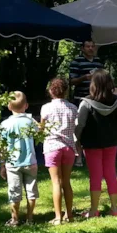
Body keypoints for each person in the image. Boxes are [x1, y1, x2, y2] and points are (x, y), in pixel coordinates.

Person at [75, 70, 117, 218]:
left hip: (91, 144)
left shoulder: (86, 103)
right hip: (111, 142)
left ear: (93, 84)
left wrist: (76, 140)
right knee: (111, 173)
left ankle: (94, 210)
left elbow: (79, 125)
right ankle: (115, 209)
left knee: (95, 176)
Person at [40, 78, 78, 225]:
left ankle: (57, 216)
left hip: (52, 147)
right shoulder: (73, 108)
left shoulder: (46, 108)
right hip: (68, 147)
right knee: (66, 182)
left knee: (56, 182)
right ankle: (70, 215)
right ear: (66, 91)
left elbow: (42, 128)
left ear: (51, 91)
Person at [0, 92, 39, 227]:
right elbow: (40, 131)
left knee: (14, 191)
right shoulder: (30, 122)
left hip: (12, 163)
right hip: (30, 161)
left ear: (9, 106)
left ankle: (15, 219)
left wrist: (2, 165)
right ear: (26, 105)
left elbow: (2, 147)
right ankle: (30, 218)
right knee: (31, 191)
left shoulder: (5, 124)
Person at [68, 39, 104, 104]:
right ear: (82, 48)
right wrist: (83, 78)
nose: (91, 48)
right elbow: (71, 82)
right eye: (88, 46)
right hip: (81, 98)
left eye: (92, 46)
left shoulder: (98, 61)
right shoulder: (76, 62)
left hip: (96, 97)